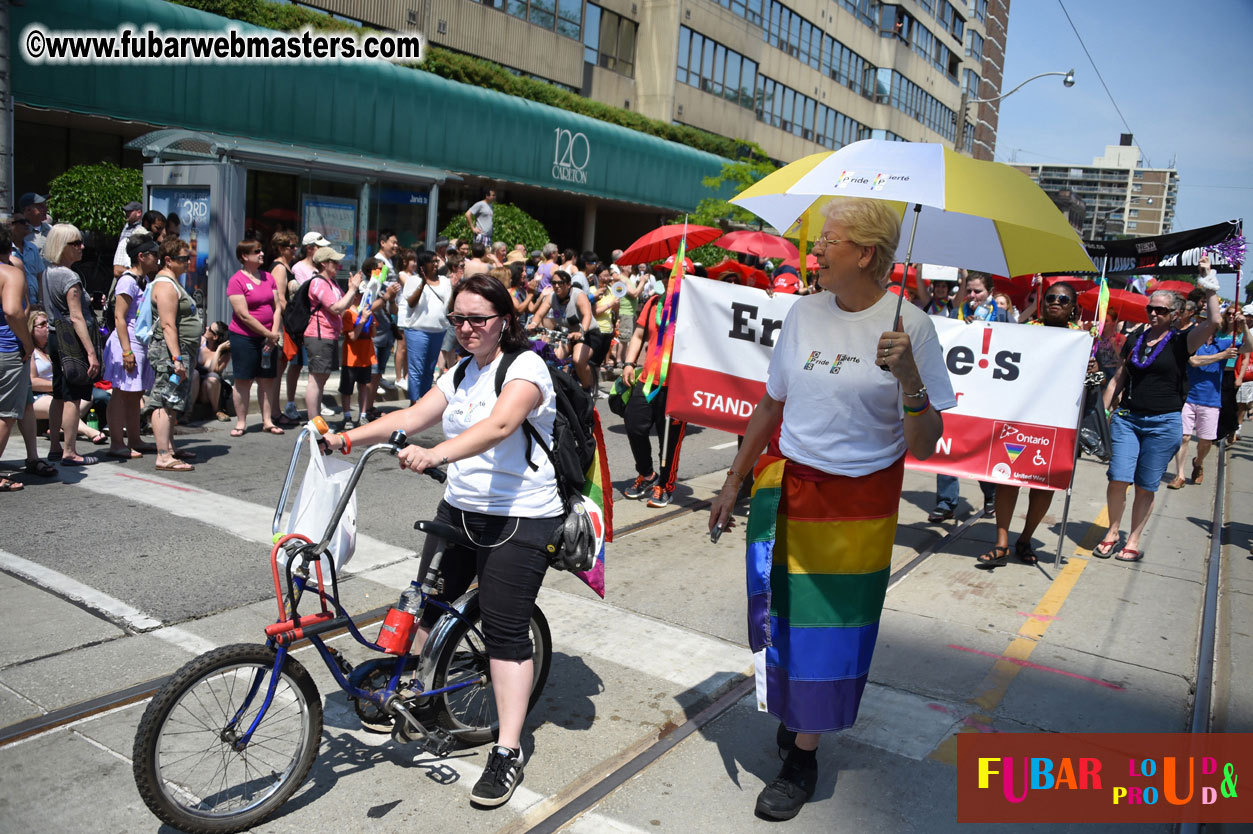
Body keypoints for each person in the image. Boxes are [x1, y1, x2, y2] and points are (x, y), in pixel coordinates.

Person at [707, 198, 954, 821]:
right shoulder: (803, 312)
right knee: (782, 620)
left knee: (830, 635)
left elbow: (927, 442)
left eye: (827, 243)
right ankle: (797, 717)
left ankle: (802, 756)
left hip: (858, 507)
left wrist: (910, 382)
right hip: (788, 492)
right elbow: (770, 405)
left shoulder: (913, 329)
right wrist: (733, 481)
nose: (813, 253)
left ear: (866, 254)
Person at [319, 274, 564, 808]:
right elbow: (410, 416)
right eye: (459, 319)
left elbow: (501, 426)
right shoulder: (460, 372)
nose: (468, 328)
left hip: (520, 516)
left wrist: (437, 454)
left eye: (479, 319)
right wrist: (344, 437)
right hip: (462, 507)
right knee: (422, 601)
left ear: (504, 320)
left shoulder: (524, 366)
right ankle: (408, 687)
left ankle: (506, 750)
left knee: (503, 629)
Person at [1095, 278, 1221, 562]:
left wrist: (1210, 286)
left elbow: (1213, 321)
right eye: (1151, 309)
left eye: (1161, 311)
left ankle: (1134, 539)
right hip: (1128, 418)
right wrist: (1101, 415)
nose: (1154, 314)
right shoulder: (1135, 339)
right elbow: (1118, 378)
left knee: (1145, 484)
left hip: (1163, 424)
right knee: (1118, 477)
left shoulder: (1181, 341)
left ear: (1175, 314)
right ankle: (1112, 533)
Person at [977, 282, 1082, 567]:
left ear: (1072, 307)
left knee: (1043, 486)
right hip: (1022, 418)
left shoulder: (1084, 339)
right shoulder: (1026, 330)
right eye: (1050, 297)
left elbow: (1090, 390)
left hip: (1057, 425)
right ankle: (1001, 543)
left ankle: (1024, 539)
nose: (1055, 302)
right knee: (1007, 479)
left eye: (1063, 299)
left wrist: (1092, 370)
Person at [618, 267, 687, 508]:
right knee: (634, 425)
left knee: (669, 441)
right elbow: (638, 335)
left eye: (677, 276)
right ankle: (647, 475)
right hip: (647, 380)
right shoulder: (652, 303)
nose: (671, 280)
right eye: (667, 275)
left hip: (678, 386)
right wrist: (628, 363)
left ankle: (666, 484)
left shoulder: (693, 308)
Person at [41, 223, 103, 466]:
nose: (81, 247)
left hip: (56, 336)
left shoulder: (48, 272)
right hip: (73, 340)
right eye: (75, 243)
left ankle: (56, 447)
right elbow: (77, 316)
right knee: (73, 397)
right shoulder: (69, 276)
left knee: (59, 394)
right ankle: (70, 450)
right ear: (61, 247)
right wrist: (91, 353)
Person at [1167, 307, 1247, 489]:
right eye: (1201, 320)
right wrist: (1221, 356)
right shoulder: (1191, 342)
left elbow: (1249, 347)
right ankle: (1179, 475)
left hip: (1210, 399)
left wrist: (1243, 326)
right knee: (1184, 437)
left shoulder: (1224, 342)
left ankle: (1198, 462)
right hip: (1188, 396)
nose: (1204, 323)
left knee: (1206, 441)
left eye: (1208, 321)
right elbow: (1194, 361)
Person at [146, 237, 205, 472]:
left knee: (173, 400)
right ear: (168, 260)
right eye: (183, 259)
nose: (187, 262)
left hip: (181, 349)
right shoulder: (165, 285)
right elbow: (168, 325)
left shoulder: (174, 283)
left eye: (188, 258)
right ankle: (162, 455)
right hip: (170, 351)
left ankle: (169, 448)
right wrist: (177, 358)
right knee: (163, 398)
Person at [103, 235, 159, 459]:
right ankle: (117, 443)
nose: (157, 259)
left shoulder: (143, 280)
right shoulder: (127, 280)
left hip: (139, 343)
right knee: (121, 392)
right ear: (141, 256)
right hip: (126, 343)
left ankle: (134, 439)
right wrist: (126, 351)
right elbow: (119, 318)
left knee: (135, 394)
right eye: (154, 254)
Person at [226, 240, 283, 437]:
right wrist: (267, 334)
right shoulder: (237, 280)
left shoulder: (268, 277)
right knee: (244, 380)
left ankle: (267, 420)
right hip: (245, 338)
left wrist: (273, 334)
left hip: (269, 338)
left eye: (261, 250)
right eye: (256, 251)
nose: (261, 254)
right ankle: (241, 422)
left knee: (267, 380)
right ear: (244, 256)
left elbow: (277, 307)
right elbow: (243, 315)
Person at [303, 247, 363, 422]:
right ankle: (314, 421)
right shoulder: (319, 283)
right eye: (334, 262)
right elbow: (336, 308)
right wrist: (352, 290)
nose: (339, 265)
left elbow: (344, 307)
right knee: (316, 379)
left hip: (329, 335)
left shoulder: (333, 283)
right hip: (319, 335)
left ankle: (316, 419)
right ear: (323, 263)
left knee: (322, 378)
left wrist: (353, 290)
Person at [339, 257, 398, 427]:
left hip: (367, 353)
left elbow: (373, 331)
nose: (359, 298)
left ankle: (364, 413)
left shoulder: (378, 288)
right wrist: (364, 319)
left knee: (365, 383)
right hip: (352, 356)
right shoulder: (350, 312)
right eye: (380, 269)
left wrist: (369, 321)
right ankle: (348, 415)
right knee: (347, 387)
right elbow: (352, 336)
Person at [0, 229, 36, 491]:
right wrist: (27, 342)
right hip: (6, 349)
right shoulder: (10, 272)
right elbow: (13, 311)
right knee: (4, 415)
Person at [281, 232, 330, 420]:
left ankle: (316, 401)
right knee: (296, 364)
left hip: (318, 325)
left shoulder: (320, 269)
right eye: (319, 247)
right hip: (303, 324)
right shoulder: (299, 268)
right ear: (310, 248)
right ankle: (291, 403)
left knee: (316, 367)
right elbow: (310, 294)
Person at [530, 270, 599, 392]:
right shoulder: (551, 297)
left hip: (588, 333)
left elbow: (587, 315)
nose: (556, 286)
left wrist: (581, 332)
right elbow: (539, 313)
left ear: (568, 284)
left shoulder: (578, 295)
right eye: (554, 283)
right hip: (567, 334)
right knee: (555, 359)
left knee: (578, 360)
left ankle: (588, 389)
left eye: (560, 283)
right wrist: (533, 324)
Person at [399, 250, 451, 403]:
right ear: (424, 264)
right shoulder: (413, 280)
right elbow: (411, 303)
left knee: (429, 370)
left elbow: (450, 305)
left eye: (436, 261)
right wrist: (423, 282)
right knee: (416, 369)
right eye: (432, 261)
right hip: (417, 330)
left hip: (438, 330)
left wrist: (455, 287)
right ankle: (414, 402)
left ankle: (424, 402)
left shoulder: (445, 281)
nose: (435, 264)